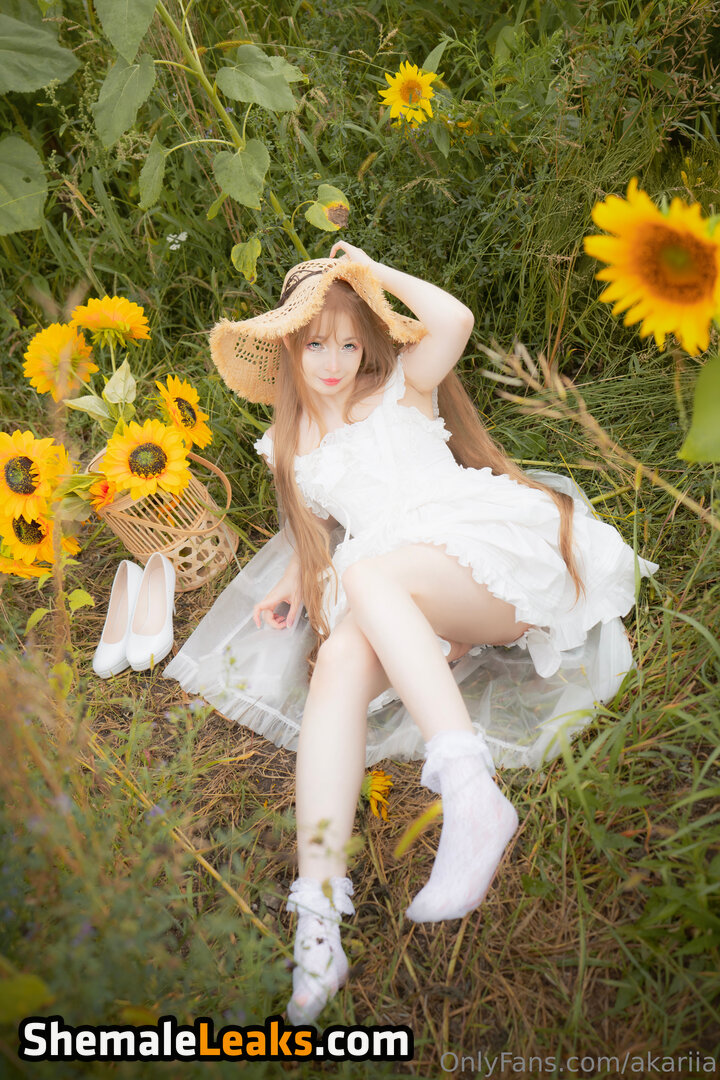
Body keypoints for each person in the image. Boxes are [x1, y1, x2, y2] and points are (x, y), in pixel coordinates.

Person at [164, 242, 657, 1025]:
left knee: (368, 576)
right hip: (395, 583)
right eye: (315, 344)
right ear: (288, 348)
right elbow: (316, 529)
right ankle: (317, 917)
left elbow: (453, 319)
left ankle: (469, 788)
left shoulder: (403, 385)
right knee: (338, 661)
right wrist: (292, 582)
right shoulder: (291, 442)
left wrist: (367, 271)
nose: (333, 363)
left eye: (347, 342)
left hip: (485, 561)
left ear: (369, 343)